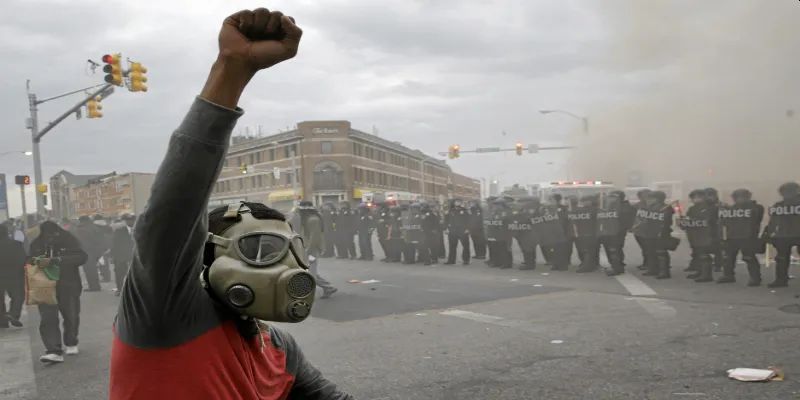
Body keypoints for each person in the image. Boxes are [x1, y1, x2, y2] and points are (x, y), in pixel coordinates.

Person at [109, 9, 351, 398]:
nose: (289, 267)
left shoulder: (276, 347)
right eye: (261, 250)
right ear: (207, 260)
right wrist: (231, 70)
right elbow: (172, 213)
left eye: (292, 250)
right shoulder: (164, 316)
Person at [31, 221, 88, 363]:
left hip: (68, 284)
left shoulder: (69, 239)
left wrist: (58, 260)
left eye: (53, 233)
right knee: (47, 317)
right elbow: (28, 260)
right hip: (44, 285)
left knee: (71, 315)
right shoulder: (36, 243)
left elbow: (82, 257)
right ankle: (53, 350)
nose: (50, 236)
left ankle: (71, 342)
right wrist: (37, 261)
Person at [290, 201, 338, 299]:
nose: (298, 212)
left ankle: (328, 287)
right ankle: (328, 287)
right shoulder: (306, 219)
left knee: (311, 274)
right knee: (309, 272)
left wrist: (308, 250)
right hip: (307, 248)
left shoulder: (313, 219)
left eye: (300, 210)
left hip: (312, 250)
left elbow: (314, 237)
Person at [718, 189, 764, 285]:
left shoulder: (756, 207)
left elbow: (757, 218)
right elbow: (724, 222)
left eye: (742, 197)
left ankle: (755, 278)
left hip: (748, 237)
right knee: (728, 257)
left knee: (749, 257)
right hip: (732, 236)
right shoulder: (731, 209)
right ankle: (728, 275)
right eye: (737, 197)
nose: (740, 199)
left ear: (748, 197)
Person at [762, 182, 800, 288]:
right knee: (781, 258)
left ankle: (781, 280)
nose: (786, 194)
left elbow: (772, 222)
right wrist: (769, 233)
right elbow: (773, 222)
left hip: (786, 235)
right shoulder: (778, 206)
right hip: (783, 235)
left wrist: (769, 233)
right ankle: (781, 279)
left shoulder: (779, 206)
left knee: (782, 258)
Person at [633, 191, 675, 279]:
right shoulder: (648, 207)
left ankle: (664, 271)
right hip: (648, 232)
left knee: (661, 253)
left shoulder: (665, 208)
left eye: (651, 198)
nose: (648, 200)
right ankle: (653, 269)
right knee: (650, 251)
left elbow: (666, 221)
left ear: (658, 199)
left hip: (660, 233)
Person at [679, 190, 716, 283]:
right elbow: (688, 219)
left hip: (706, 234)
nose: (696, 199)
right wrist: (683, 221)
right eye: (694, 197)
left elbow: (710, 220)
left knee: (704, 254)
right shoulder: (692, 208)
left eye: (698, 197)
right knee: (698, 253)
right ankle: (700, 271)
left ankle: (707, 275)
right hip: (694, 234)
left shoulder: (711, 208)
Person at [0, 224, 26, 328]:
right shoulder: (16, 244)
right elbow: (23, 259)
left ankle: (2, 322)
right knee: (18, 296)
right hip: (14, 275)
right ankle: (13, 314)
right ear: (7, 233)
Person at [535, 194, 570, 271]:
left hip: (560, 232)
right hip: (550, 232)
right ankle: (555, 264)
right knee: (553, 250)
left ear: (557, 200)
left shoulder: (563, 208)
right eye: (549, 199)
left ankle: (562, 266)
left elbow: (565, 220)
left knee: (561, 249)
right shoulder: (546, 209)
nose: (550, 201)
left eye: (552, 199)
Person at [73, 215, 106, 291]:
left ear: (82, 221)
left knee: (89, 270)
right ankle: (96, 286)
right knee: (93, 269)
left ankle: (93, 286)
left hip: (87, 251)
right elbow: (101, 239)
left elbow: (82, 242)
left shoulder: (81, 229)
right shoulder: (95, 227)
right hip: (96, 250)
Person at [597, 192, 627, 276]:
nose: (610, 200)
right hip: (606, 232)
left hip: (616, 233)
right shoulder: (602, 208)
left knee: (614, 250)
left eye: (613, 198)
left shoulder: (622, 208)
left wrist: (620, 231)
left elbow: (624, 222)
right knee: (610, 251)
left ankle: (617, 268)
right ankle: (615, 266)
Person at [569, 195, 600, 273]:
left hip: (590, 233)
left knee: (588, 251)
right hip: (583, 233)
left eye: (587, 201)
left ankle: (588, 266)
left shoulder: (594, 210)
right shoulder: (580, 210)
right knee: (585, 251)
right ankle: (590, 265)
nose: (585, 202)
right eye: (583, 201)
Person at [510, 197, 538, 270]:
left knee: (528, 248)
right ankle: (529, 262)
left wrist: (518, 221)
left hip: (528, 232)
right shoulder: (524, 209)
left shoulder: (531, 210)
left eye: (521, 202)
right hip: (522, 232)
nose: (520, 203)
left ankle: (529, 264)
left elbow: (528, 219)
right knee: (526, 248)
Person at [111, 214, 136, 295]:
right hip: (121, 256)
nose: (130, 222)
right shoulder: (119, 231)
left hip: (136, 256)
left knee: (135, 274)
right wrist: (114, 256)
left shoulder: (140, 229)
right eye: (128, 220)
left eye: (132, 220)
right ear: (126, 221)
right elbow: (114, 244)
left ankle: (135, 290)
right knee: (119, 273)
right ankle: (119, 289)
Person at [487, 198, 513, 269]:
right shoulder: (495, 211)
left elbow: (505, 220)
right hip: (497, 232)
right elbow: (492, 219)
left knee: (506, 248)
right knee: (498, 248)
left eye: (497, 204)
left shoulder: (507, 211)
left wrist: (497, 220)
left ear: (502, 204)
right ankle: (498, 262)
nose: (496, 206)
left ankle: (507, 263)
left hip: (506, 232)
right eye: (495, 204)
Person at [444, 199, 470, 265]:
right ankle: (451, 260)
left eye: (459, 201)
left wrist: (467, 228)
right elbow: (446, 220)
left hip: (462, 230)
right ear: (454, 203)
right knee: (452, 246)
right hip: (452, 230)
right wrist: (446, 228)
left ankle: (466, 260)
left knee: (466, 246)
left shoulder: (464, 210)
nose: (458, 203)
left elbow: (469, 220)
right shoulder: (450, 211)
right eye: (456, 201)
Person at [633, 189, 652, 271]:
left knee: (649, 248)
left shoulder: (653, 206)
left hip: (650, 230)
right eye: (643, 196)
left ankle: (650, 264)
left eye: (647, 195)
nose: (645, 197)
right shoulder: (636, 206)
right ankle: (646, 263)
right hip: (639, 230)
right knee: (645, 248)